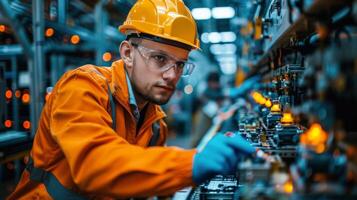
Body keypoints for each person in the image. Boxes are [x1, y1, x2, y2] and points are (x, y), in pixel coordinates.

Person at [8, 0, 255, 199]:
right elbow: (93, 166)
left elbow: (146, 182)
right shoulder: (82, 87)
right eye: (159, 59)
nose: (172, 75)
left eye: (180, 64)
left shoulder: (156, 126)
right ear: (127, 53)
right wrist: (190, 163)